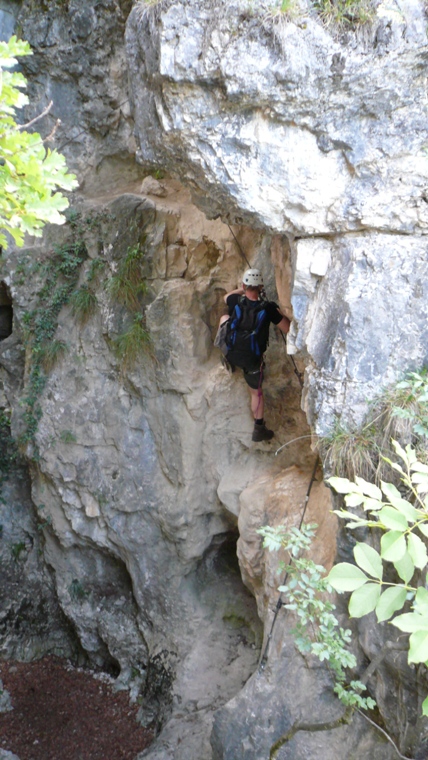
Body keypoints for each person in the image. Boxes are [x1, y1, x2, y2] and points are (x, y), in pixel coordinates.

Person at [219, 268, 290, 442]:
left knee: (224, 318)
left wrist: (242, 290)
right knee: (256, 392)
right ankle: (259, 428)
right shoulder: (268, 308)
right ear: (260, 287)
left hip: (232, 353)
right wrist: (278, 312)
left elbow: (225, 297)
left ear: (244, 285)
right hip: (252, 360)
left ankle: (224, 356)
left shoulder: (235, 300)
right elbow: (288, 329)